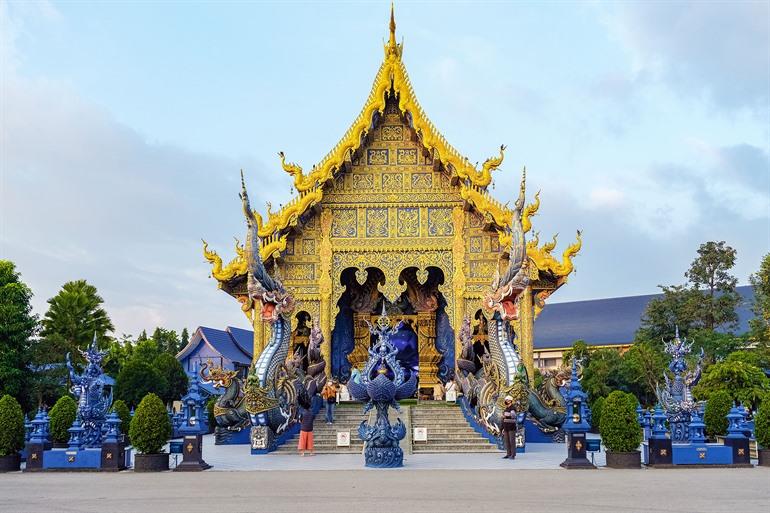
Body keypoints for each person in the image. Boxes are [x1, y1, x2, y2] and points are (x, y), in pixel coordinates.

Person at [501, 395, 518, 460]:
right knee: (507, 441)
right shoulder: (506, 408)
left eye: (507, 400)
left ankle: (513, 455)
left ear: (510, 401)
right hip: (506, 426)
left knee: (512, 441)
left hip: (511, 426)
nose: (506, 401)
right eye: (506, 400)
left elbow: (513, 416)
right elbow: (504, 416)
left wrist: (505, 415)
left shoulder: (513, 408)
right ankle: (508, 454)